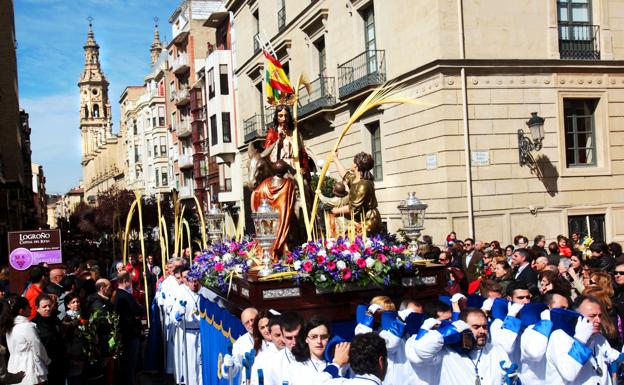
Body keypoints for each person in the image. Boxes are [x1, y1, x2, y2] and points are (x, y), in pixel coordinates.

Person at [405, 308, 515, 385]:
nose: (482, 331)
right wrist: (449, 331)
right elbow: (421, 350)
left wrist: (512, 380)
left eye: (485, 327)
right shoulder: (445, 351)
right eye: (476, 327)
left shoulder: (495, 350)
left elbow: (510, 377)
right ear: (463, 328)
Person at [545, 296, 622, 385]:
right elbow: (569, 373)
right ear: (578, 316)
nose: (598, 320)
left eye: (600, 315)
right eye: (592, 316)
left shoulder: (599, 337)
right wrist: (581, 340)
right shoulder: (559, 337)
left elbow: (613, 355)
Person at [0, 296, 49, 385]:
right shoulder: (27, 326)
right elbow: (37, 346)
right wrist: (47, 360)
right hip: (30, 367)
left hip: (14, 366)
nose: (31, 308)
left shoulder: (9, 326)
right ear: (21, 311)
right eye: (28, 307)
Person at [331, 151, 381, 235]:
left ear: (356, 165)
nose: (352, 163)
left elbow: (353, 208)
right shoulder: (355, 179)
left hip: (368, 221)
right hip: (359, 219)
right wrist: (335, 158)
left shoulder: (363, 185)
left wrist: (335, 210)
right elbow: (344, 174)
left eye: (353, 161)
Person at [170, 266, 203, 385]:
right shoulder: (181, 292)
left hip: (202, 332)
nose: (194, 284)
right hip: (188, 333)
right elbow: (172, 314)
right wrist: (178, 315)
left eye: (196, 281)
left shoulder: (203, 292)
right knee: (192, 363)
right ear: (187, 281)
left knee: (202, 363)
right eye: (191, 281)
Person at [113, 271, 143, 385]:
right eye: (130, 281)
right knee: (130, 363)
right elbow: (138, 310)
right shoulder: (125, 296)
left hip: (126, 333)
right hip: (130, 334)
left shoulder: (119, 294)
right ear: (125, 282)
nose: (131, 283)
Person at [32, 294, 65, 385]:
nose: (48, 308)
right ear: (37, 308)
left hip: (59, 364)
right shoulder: (34, 325)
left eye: (49, 306)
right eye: (44, 306)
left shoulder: (55, 319)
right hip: (46, 366)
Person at [222, 307, 258, 385]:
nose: (251, 324)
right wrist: (228, 366)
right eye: (247, 322)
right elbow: (233, 372)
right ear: (244, 325)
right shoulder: (240, 343)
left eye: (252, 320)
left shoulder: (271, 337)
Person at [61, 293, 86, 385]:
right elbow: (65, 339)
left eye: (77, 301)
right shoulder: (66, 319)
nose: (76, 304)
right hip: (72, 355)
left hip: (82, 353)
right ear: (68, 305)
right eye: (73, 302)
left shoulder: (83, 315)